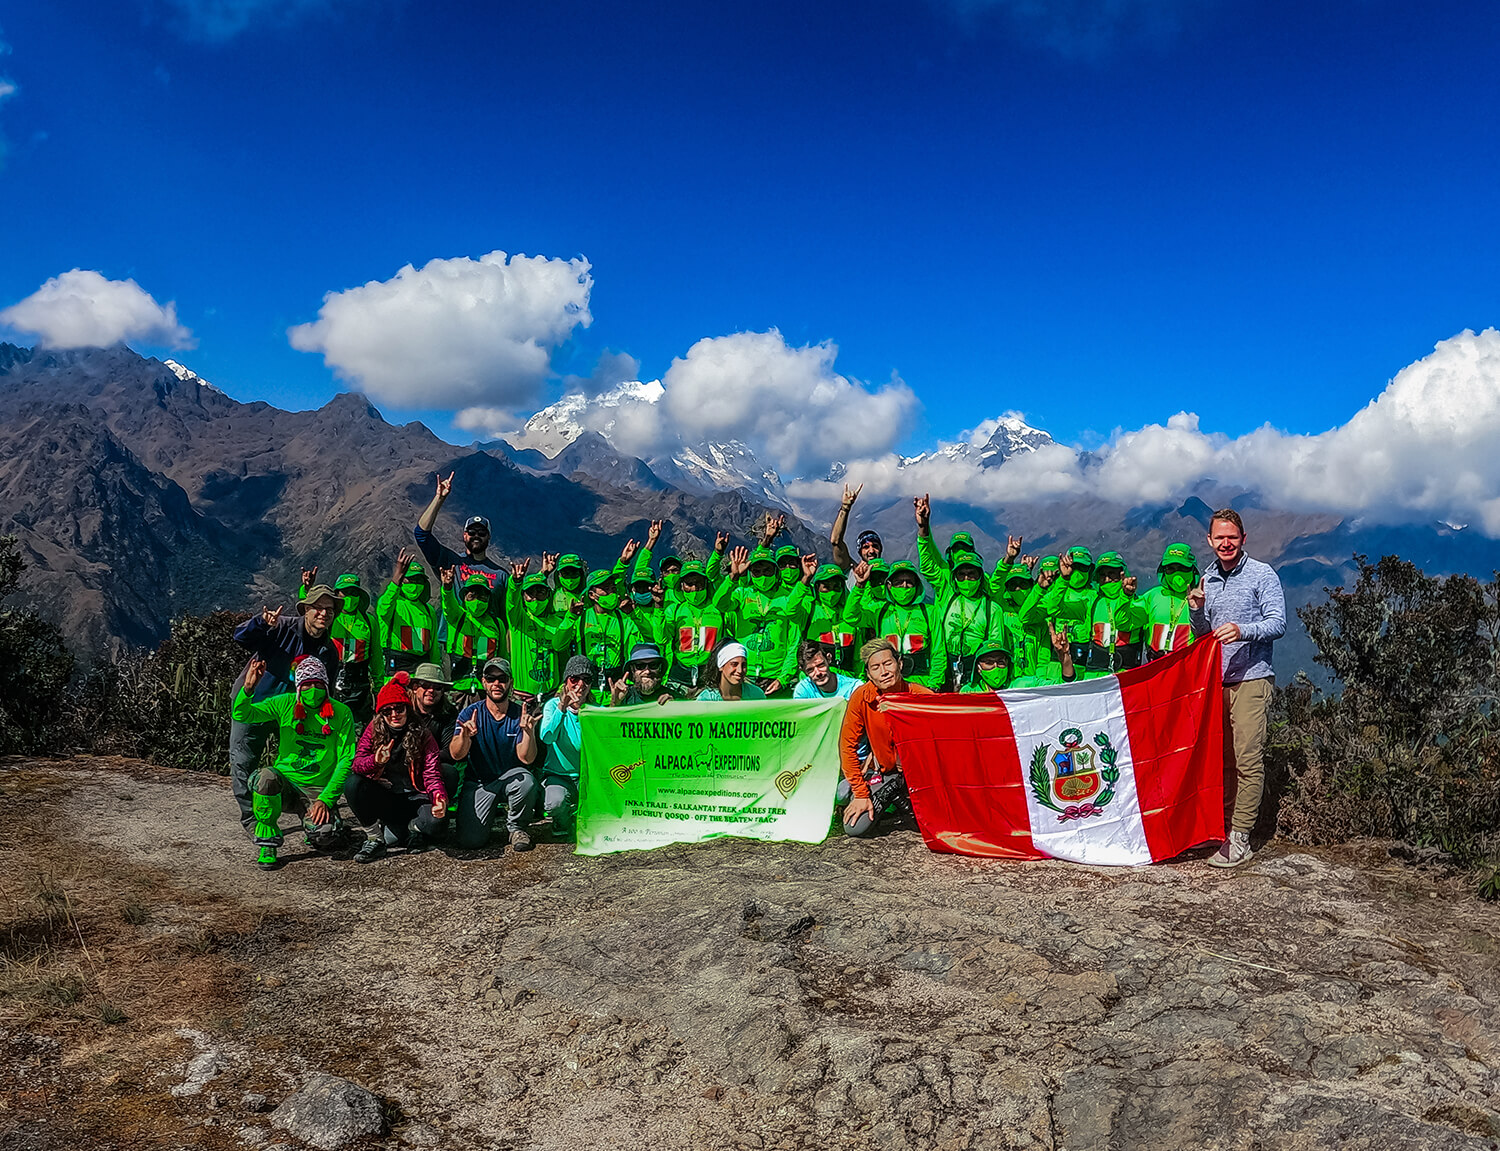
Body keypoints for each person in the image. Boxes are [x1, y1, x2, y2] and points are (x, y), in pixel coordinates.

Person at [1188, 509, 1286, 869]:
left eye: (1232, 537)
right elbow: (1203, 635)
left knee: (1247, 758)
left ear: (1243, 539)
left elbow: (1278, 622)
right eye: (1219, 538)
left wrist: (1243, 629)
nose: (1226, 543)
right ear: (1210, 541)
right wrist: (1197, 610)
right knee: (1223, 760)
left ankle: (1241, 836)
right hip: (1217, 680)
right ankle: (1224, 829)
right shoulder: (1208, 578)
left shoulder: (1263, 574)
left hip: (1252, 678)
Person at [227, 585, 341, 835]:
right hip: (256, 703)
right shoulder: (281, 628)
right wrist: (260, 623)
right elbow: (240, 637)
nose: (324, 613)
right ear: (306, 610)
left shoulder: (329, 651)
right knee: (243, 761)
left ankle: (306, 808)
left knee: (300, 761)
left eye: (329, 610)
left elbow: (326, 692)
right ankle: (252, 819)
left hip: (294, 715)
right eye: (318, 608)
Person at [231, 655, 355, 870]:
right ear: (298, 687)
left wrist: (326, 800)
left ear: (326, 686)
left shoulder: (341, 713)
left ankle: (312, 828)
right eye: (307, 685)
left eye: (318, 684)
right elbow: (242, 713)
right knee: (265, 778)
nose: (313, 689)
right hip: (286, 785)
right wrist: (248, 688)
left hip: (317, 789)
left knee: (325, 836)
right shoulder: (285, 703)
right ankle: (268, 843)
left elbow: (346, 758)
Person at [837, 639, 934, 837]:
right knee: (853, 822)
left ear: (900, 663)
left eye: (888, 663)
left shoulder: (922, 696)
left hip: (920, 774)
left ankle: (902, 802)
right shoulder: (861, 697)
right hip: (884, 772)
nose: (884, 671)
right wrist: (862, 794)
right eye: (876, 667)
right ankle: (896, 799)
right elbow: (847, 746)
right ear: (868, 674)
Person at [347, 672, 446, 863]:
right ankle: (374, 838)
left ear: (407, 708)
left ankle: (412, 828)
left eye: (399, 708)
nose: (394, 714)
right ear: (381, 713)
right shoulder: (373, 729)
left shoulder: (422, 733)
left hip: (416, 796)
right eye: (387, 711)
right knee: (353, 784)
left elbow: (432, 772)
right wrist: (375, 761)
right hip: (389, 797)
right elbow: (357, 765)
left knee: (437, 823)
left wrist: (438, 797)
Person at [449, 658, 542, 852]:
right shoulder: (470, 713)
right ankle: (485, 817)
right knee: (470, 841)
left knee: (527, 781)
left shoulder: (520, 714)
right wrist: (465, 736)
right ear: (484, 682)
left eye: (502, 678)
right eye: (491, 678)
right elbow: (456, 754)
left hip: (511, 778)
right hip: (480, 782)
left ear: (510, 682)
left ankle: (517, 828)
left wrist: (528, 733)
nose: (496, 684)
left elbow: (527, 758)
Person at [914, 494, 1003, 689]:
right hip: (945, 666)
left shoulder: (991, 607)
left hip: (977, 672)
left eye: (972, 574)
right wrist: (923, 528)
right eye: (961, 574)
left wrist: (1008, 562)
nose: (966, 578)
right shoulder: (947, 587)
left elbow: (995, 645)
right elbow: (928, 563)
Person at [713, 546, 814, 697]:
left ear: (776, 571)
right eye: (757, 572)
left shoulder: (788, 598)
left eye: (767, 571)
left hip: (775, 678)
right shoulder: (742, 594)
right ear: (751, 573)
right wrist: (732, 578)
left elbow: (794, 643)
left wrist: (783, 679)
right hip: (744, 676)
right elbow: (719, 603)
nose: (763, 576)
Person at [413, 472, 509, 613]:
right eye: (471, 532)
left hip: (487, 635)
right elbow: (422, 535)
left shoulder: (501, 575)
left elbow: (506, 618)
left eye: (481, 533)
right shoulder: (450, 563)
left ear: (489, 537)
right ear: (464, 536)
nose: (476, 536)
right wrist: (439, 499)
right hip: (454, 634)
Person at [299, 569, 381, 725]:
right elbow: (309, 613)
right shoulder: (330, 617)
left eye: (353, 592)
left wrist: (378, 687)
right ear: (337, 595)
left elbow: (376, 656)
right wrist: (307, 589)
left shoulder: (369, 621)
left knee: (360, 727)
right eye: (345, 592)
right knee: (330, 724)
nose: (349, 597)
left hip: (360, 684)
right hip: (331, 679)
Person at [538, 655, 595, 839]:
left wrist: (615, 704)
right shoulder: (552, 705)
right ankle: (561, 820)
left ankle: (578, 812)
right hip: (559, 776)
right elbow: (547, 737)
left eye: (586, 679)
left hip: (589, 776)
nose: (580, 684)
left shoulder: (596, 709)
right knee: (555, 803)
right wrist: (562, 708)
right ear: (565, 682)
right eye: (574, 679)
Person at [868, 560, 946, 691]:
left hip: (922, 684)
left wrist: (934, 685)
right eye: (898, 582)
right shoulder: (880, 611)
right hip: (889, 685)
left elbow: (938, 651)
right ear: (889, 586)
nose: (904, 586)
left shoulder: (929, 611)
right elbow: (851, 616)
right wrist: (859, 585)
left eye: (909, 582)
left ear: (917, 585)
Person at [504, 564, 574, 699]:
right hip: (521, 696)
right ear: (523, 596)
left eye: (540, 592)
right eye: (530, 594)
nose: (535, 598)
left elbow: (562, 651)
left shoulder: (558, 621)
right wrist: (515, 583)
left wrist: (571, 617)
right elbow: (511, 603)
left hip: (551, 695)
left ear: (548, 594)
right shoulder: (518, 620)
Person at [576, 569, 643, 704]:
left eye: (613, 588)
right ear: (592, 595)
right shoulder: (580, 618)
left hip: (617, 689)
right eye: (605, 589)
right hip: (587, 690)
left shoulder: (624, 619)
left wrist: (634, 614)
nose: (611, 593)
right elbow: (558, 644)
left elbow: (639, 648)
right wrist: (570, 618)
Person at [663, 560, 725, 692]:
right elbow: (662, 639)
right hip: (679, 677)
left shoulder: (718, 609)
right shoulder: (674, 610)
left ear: (706, 584)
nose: (694, 588)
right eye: (689, 584)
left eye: (699, 583)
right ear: (681, 586)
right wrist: (658, 609)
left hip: (709, 677)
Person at [439, 569, 505, 693]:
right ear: (464, 598)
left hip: (487, 690)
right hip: (458, 688)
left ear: (489, 599)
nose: (477, 601)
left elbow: (502, 657)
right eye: (472, 596)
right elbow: (448, 604)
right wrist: (447, 588)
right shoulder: (457, 617)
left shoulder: (497, 624)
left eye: (482, 596)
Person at [377, 549, 438, 680]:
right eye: (410, 580)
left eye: (419, 580)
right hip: (395, 670)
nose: (415, 584)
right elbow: (384, 609)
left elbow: (434, 648)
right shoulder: (393, 603)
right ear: (402, 581)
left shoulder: (429, 610)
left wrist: (436, 672)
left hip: (422, 673)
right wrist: (396, 580)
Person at [408, 661, 461, 802]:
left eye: (437, 687)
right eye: (425, 685)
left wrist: (422, 761)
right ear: (414, 688)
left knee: (450, 772)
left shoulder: (449, 713)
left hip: (433, 765)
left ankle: (438, 805)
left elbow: (449, 752)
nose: (431, 691)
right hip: (402, 764)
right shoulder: (402, 709)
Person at [958, 627, 1074, 692]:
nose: (995, 666)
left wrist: (1065, 657)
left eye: (1001, 662)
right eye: (989, 663)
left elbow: (1065, 686)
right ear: (978, 668)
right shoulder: (968, 692)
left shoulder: (1024, 685)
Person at [1142, 543, 1200, 660]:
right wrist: (1126, 596)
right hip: (1155, 667)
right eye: (1170, 569)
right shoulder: (1153, 596)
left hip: (1187, 668)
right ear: (1163, 571)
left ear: (1193, 570)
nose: (1177, 574)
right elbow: (1125, 623)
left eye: (1183, 568)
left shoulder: (1202, 598)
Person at [805, 563, 864, 674]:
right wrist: (806, 579)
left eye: (836, 587)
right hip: (816, 682)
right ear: (817, 588)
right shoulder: (810, 610)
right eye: (826, 587)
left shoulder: (850, 615)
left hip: (846, 682)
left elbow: (858, 658)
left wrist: (859, 681)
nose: (832, 592)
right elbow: (791, 610)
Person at [830, 482, 882, 573]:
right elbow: (836, 541)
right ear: (860, 551)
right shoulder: (852, 572)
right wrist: (845, 508)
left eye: (875, 546)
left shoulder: (890, 577)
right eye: (866, 547)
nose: (871, 550)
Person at [696, 641, 767, 701]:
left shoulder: (756, 695)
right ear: (721, 666)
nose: (740, 670)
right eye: (734, 664)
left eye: (744, 665)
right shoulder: (706, 699)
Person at [792, 639, 862, 700]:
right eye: (810, 670)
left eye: (821, 665)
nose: (818, 673)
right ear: (803, 671)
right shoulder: (803, 690)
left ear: (829, 659)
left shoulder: (853, 688)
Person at [609, 643, 675, 706]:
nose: (647, 671)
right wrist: (615, 702)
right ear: (632, 670)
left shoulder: (674, 698)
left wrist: (675, 709)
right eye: (640, 666)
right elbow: (610, 717)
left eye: (653, 665)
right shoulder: (623, 696)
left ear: (660, 668)